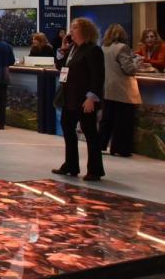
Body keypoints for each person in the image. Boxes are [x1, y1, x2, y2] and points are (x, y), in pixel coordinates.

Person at [53, 17, 105, 182]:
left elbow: (97, 76)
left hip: (84, 99)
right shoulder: (72, 49)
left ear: (84, 30)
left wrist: (91, 97)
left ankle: (95, 170)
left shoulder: (93, 50)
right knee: (67, 129)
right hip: (69, 97)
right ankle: (71, 165)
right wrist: (61, 51)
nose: (70, 31)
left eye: (74, 28)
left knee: (90, 133)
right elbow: (62, 68)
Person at [100, 24, 141, 158]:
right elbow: (129, 69)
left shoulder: (104, 48)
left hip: (108, 88)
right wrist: (137, 62)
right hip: (123, 89)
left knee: (107, 119)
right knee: (123, 121)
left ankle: (100, 144)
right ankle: (120, 149)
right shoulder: (122, 48)